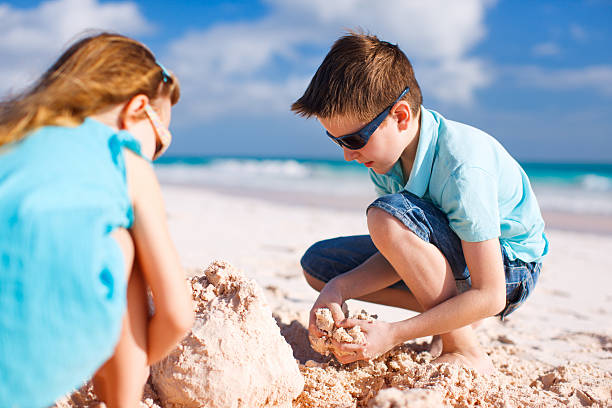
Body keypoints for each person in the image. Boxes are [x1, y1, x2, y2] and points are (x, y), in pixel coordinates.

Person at [291, 32, 548, 374]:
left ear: (400, 116)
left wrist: (393, 334)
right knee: (320, 267)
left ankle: (462, 346)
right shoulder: (385, 157)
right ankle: (452, 320)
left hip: (508, 269)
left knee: (386, 218)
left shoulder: (461, 166)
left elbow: (491, 295)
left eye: (354, 139)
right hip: (456, 254)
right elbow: (403, 248)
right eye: (335, 139)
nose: (347, 155)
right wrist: (340, 288)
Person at [0, 33, 195, 407]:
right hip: (21, 385)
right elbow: (176, 314)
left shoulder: (10, 138)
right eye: (159, 142)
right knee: (123, 242)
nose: (153, 155)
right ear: (135, 108)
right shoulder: (124, 158)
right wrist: (136, 360)